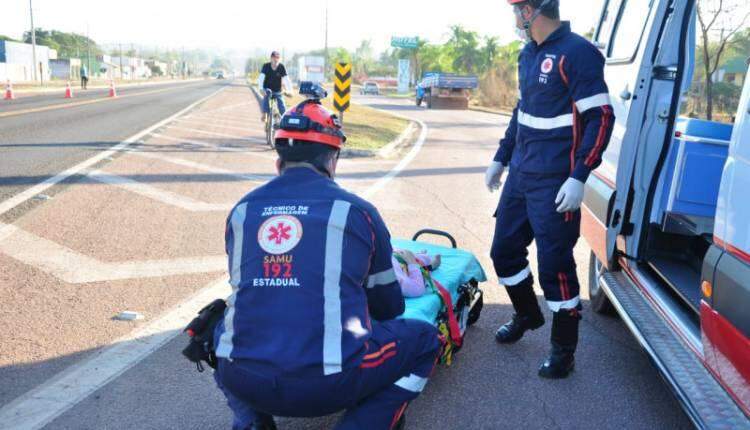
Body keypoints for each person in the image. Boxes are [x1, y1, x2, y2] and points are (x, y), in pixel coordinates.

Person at [213, 93, 442, 430]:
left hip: (243, 377)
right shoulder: (358, 213)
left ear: (279, 161)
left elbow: (251, 287)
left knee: (209, 327)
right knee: (425, 340)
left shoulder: (242, 211)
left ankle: (251, 421)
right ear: (332, 159)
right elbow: (388, 308)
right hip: (327, 385)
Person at [486, 0, 615, 379]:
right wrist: (501, 157)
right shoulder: (528, 54)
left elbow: (600, 117)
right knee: (504, 252)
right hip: (522, 176)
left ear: (530, 11)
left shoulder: (578, 52)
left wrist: (579, 176)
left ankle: (563, 351)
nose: (513, 18)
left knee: (555, 267)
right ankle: (527, 313)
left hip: (557, 182)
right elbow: (522, 112)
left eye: (515, 11)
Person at [257, 51, 293, 122]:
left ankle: (283, 121)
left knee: (282, 106)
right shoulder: (266, 66)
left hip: (278, 91)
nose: (276, 59)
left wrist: (290, 91)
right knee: (267, 94)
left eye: (277, 58)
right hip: (267, 89)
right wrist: (261, 89)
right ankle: (265, 114)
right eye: (274, 58)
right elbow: (261, 78)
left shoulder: (281, 67)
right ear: (271, 58)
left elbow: (287, 80)